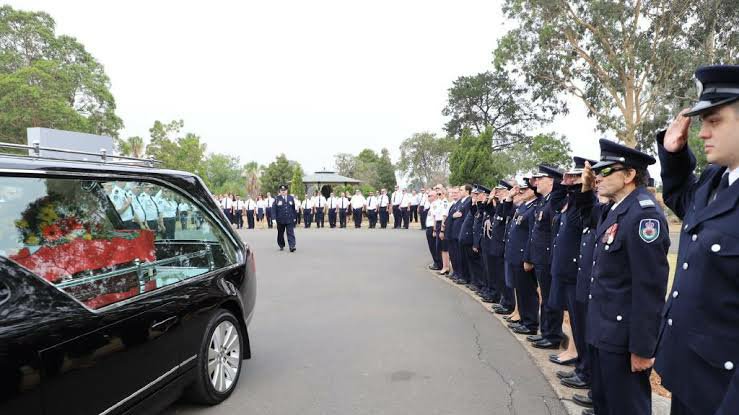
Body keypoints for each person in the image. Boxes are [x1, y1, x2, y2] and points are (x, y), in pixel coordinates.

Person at [655, 65, 739, 415]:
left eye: (714, 121)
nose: (702, 133)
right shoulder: (716, 178)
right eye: (702, 121)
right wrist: (674, 155)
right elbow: (684, 202)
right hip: (691, 374)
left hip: (723, 391)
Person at [580, 139, 670, 415]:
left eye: (606, 171)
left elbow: (649, 287)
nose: (597, 177)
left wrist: (643, 348)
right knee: (604, 404)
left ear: (630, 174)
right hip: (603, 329)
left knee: (626, 407)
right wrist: (585, 189)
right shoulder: (616, 208)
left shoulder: (643, 216)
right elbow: (587, 217)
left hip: (622, 337)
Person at [525, 166, 568, 350]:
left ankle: (552, 335)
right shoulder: (545, 201)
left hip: (548, 257)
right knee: (545, 296)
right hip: (540, 257)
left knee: (550, 298)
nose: (536, 182)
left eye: (540, 179)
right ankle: (545, 332)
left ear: (551, 181)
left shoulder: (555, 201)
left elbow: (553, 232)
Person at [504, 180, 540, 336]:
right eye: (521, 190)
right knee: (520, 290)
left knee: (528, 292)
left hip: (523, 255)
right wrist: (509, 197)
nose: (521, 192)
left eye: (525, 189)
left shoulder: (535, 207)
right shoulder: (524, 206)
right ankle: (524, 320)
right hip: (514, 254)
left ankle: (530, 323)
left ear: (533, 191)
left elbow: (533, 235)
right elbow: (506, 213)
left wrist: (528, 258)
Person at [486, 183, 515, 315]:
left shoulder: (509, 205)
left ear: (507, 191)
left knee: (504, 277)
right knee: (499, 275)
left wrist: (505, 200)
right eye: (496, 190)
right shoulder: (500, 204)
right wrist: (490, 198)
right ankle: (504, 300)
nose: (497, 192)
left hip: (502, 245)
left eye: (500, 190)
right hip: (496, 244)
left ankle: (509, 303)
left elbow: (504, 215)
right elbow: (490, 212)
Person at [450, 185, 472, 284]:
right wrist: (454, 216)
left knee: (463, 257)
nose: (459, 191)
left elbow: (466, 217)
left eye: (461, 190)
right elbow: (454, 214)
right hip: (456, 231)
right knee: (459, 256)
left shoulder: (468, 201)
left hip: (461, 232)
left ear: (467, 191)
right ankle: (460, 275)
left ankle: (465, 277)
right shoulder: (461, 202)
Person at [272, 184, 297, 252]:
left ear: (287, 191)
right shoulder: (277, 198)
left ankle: (292, 246)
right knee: (280, 233)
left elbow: (293, 208)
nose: (283, 191)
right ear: (280, 191)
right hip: (280, 220)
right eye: (282, 190)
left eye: (284, 190)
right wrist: (274, 219)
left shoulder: (290, 198)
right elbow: (273, 209)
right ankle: (281, 244)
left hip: (289, 219)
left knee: (290, 233)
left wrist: (294, 217)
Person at [434, 187, 451, 275]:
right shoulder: (438, 202)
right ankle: (444, 266)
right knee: (440, 247)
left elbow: (444, 216)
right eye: (437, 194)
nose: (438, 195)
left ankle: (446, 267)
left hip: (442, 224)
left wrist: (442, 230)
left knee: (444, 247)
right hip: (438, 224)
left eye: (440, 194)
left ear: (444, 194)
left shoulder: (445, 203)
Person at [424, 190, 442, 270]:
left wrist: (434, 230)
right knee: (432, 247)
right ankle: (436, 262)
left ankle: (438, 263)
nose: (428, 197)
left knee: (434, 247)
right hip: (429, 227)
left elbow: (435, 217)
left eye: (429, 196)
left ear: (434, 196)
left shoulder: (435, 204)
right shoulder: (432, 204)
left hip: (432, 228)